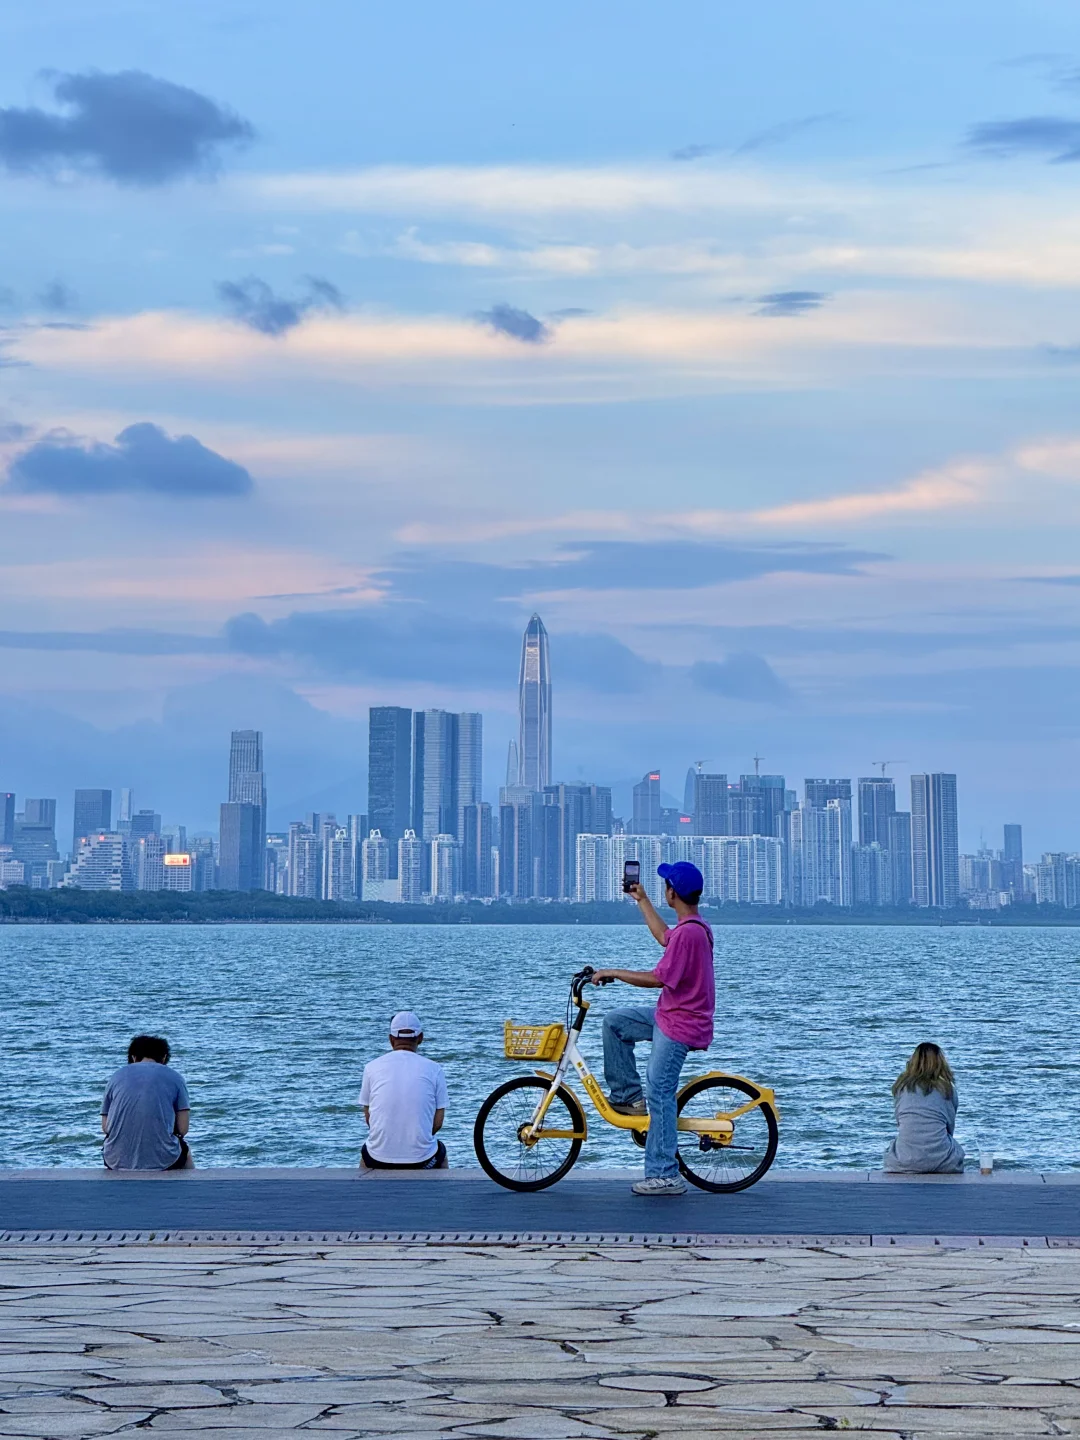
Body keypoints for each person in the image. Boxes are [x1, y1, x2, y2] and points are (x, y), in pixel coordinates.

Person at [591, 861, 715, 1197]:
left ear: (672, 893)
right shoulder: (690, 927)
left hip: (681, 1024)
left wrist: (613, 972)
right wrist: (641, 899)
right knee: (614, 1022)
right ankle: (629, 1099)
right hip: (668, 1014)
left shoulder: (690, 934)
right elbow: (664, 937)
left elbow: (659, 978)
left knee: (660, 1091)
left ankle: (665, 1174)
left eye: (664, 887)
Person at [359, 1011, 449, 1170]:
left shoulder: (371, 1067)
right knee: (440, 1151)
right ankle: (442, 1192)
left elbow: (369, 1118)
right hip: (423, 1161)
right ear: (420, 1038)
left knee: (367, 1152)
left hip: (377, 1159)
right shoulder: (435, 1069)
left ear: (390, 1039)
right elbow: (437, 1122)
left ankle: (363, 1192)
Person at [101, 1035, 192, 1171]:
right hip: (164, 1160)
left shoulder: (116, 1077)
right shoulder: (176, 1077)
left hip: (115, 1159)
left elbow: (106, 1127)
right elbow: (183, 1129)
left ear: (133, 1057)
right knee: (184, 1151)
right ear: (164, 1057)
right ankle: (193, 1188)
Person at [883, 1041, 965, 1174]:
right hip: (942, 1160)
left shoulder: (902, 1088)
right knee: (956, 1149)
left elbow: (900, 1121)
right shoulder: (947, 1089)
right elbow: (949, 1127)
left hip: (905, 1160)